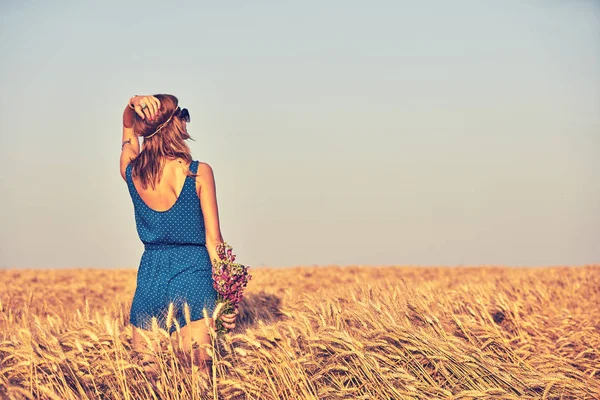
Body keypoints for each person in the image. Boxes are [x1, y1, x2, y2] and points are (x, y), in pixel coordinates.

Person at [119, 94, 239, 376]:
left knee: (147, 382)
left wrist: (131, 106)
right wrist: (228, 298)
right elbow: (215, 241)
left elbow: (127, 136)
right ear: (174, 125)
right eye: (182, 114)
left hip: (149, 280)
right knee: (199, 379)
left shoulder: (132, 172)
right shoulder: (197, 173)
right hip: (193, 278)